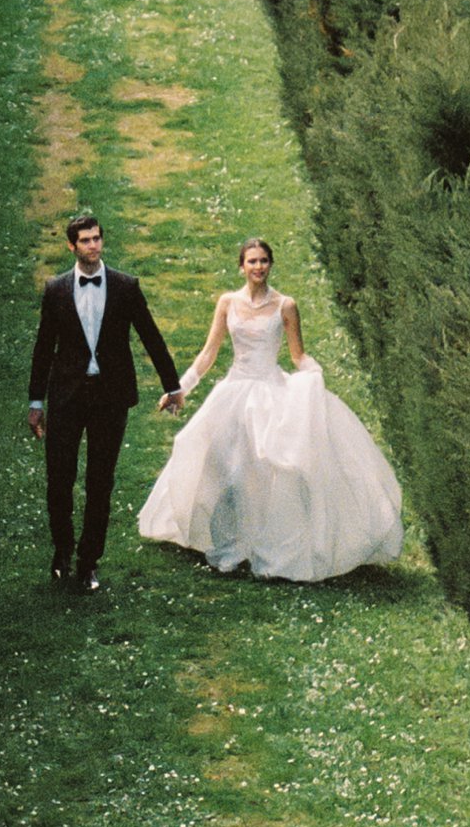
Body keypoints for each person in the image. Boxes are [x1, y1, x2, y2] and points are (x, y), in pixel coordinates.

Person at [138, 236, 404, 582]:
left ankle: (268, 543)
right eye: (252, 261)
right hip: (234, 391)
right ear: (241, 266)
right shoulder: (228, 302)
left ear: (270, 264)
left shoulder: (285, 306)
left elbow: (297, 355)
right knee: (220, 462)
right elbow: (209, 354)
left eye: (264, 260)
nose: (258, 267)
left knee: (268, 469)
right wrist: (180, 388)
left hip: (269, 391)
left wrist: (312, 374)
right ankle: (232, 540)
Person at [28, 210, 182, 593]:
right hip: (66, 397)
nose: (93, 246)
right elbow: (43, 348)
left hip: (109, 399)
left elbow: (151, 335)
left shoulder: (125, 287)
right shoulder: (56, 289)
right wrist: (36, 401)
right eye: (85, 240)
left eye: (97, 238)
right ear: (71, 246)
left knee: (101, 482)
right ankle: (61, 552)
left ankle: (88, 562)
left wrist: (172, 384)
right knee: (59, 480)